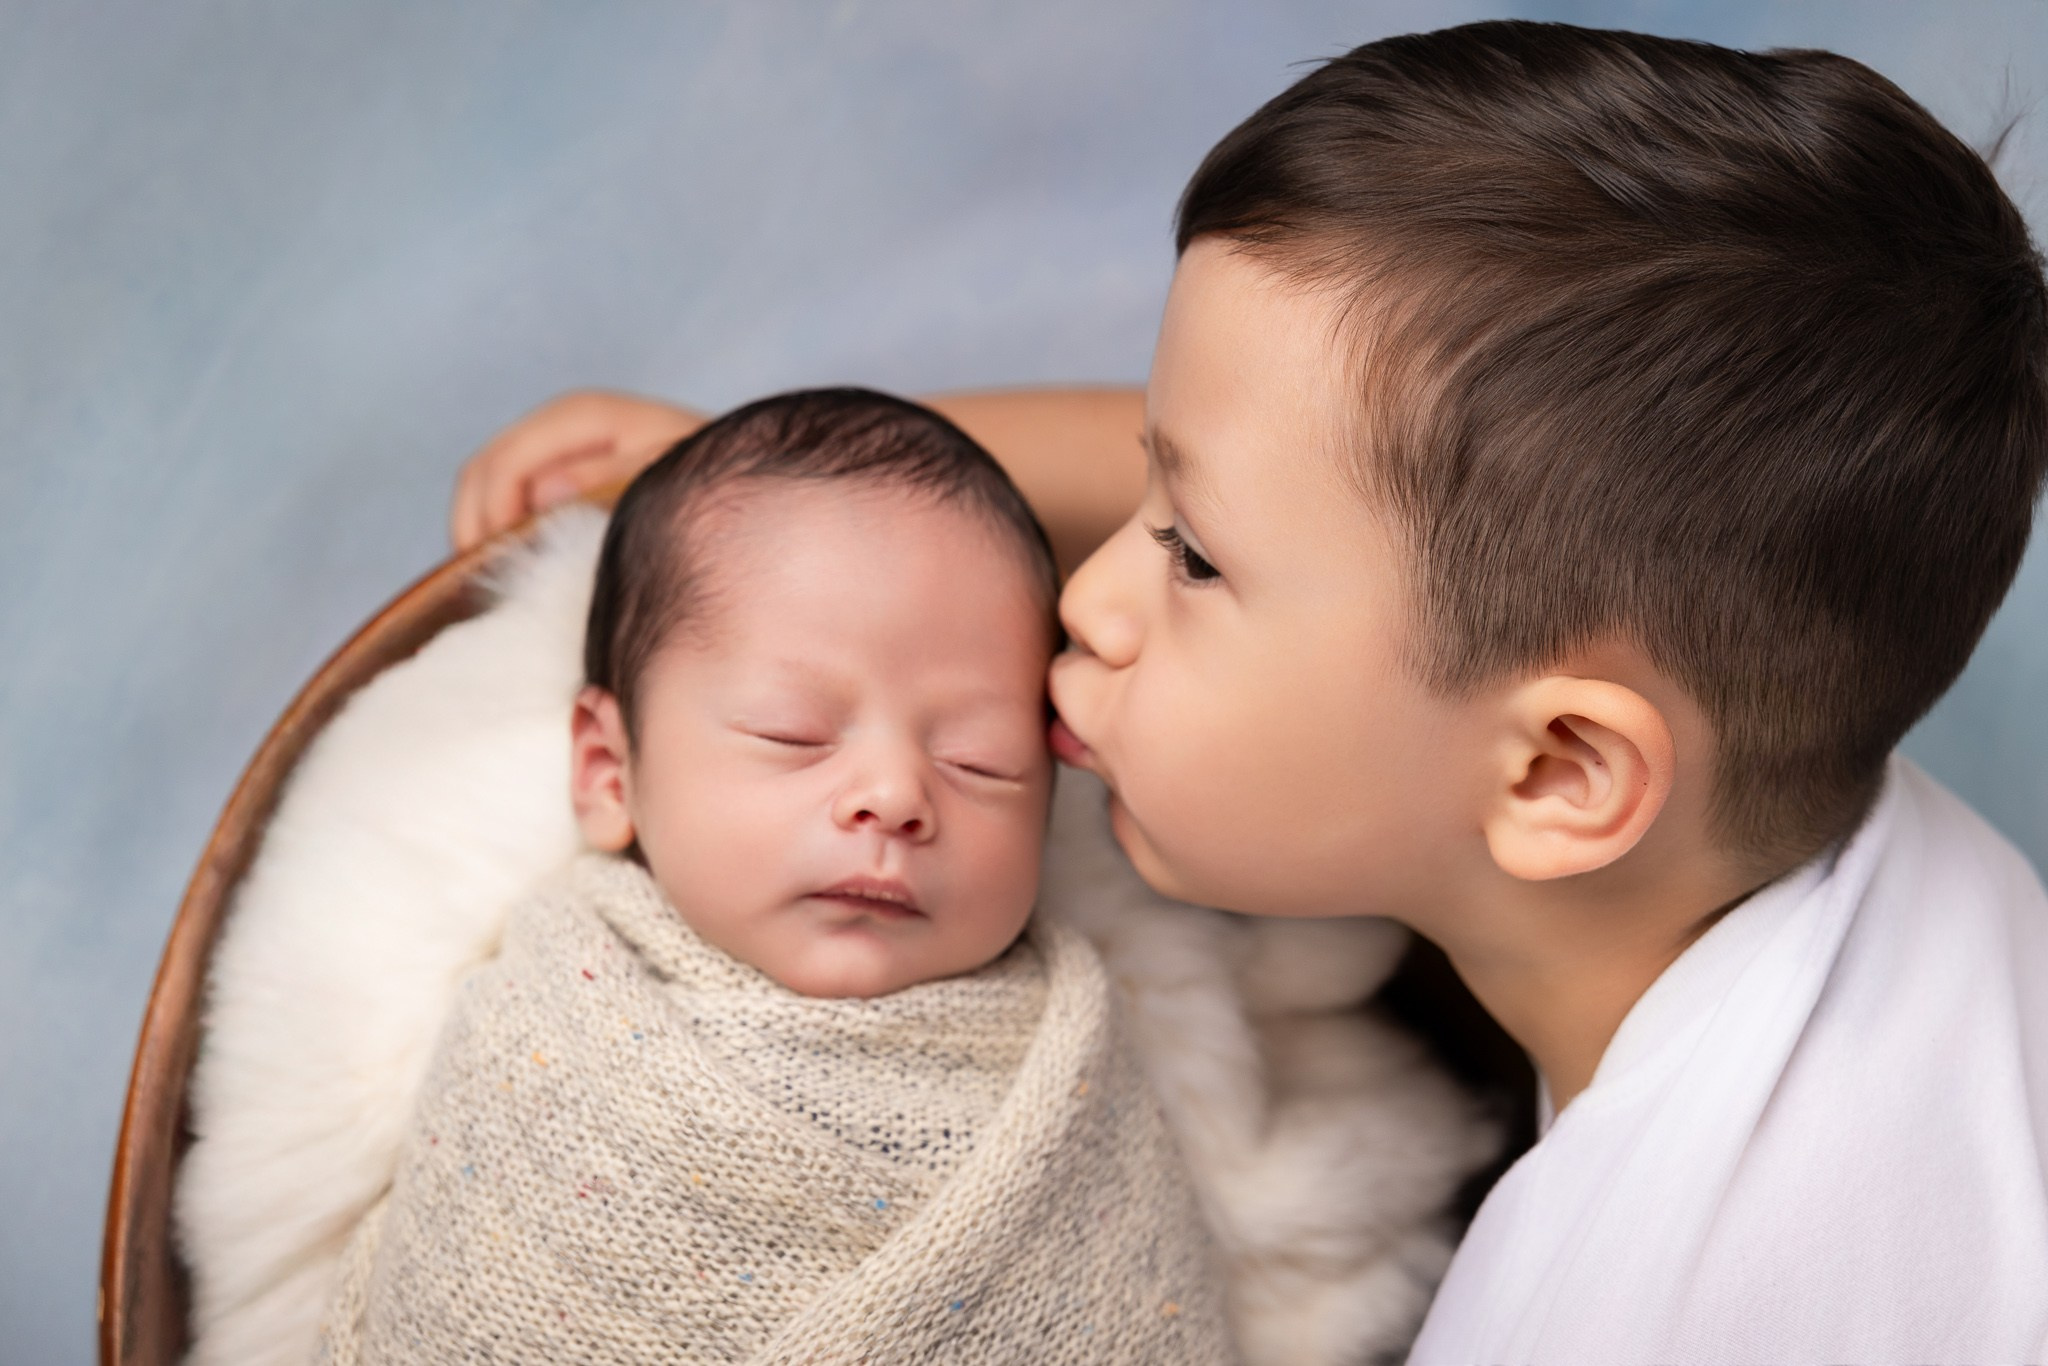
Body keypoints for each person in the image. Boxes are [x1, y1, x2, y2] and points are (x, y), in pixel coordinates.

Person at [450, 20, 2048, 1364]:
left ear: (1560, 773)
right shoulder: (1825, 812)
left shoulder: (1625, 1305)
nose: (1090, 593)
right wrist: (766, 474)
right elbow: (1274, 462)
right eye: (1153, 499)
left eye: (1191, 559)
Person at [321, 388, 1238, 1363]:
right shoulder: (543, 1027)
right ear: (606, 770)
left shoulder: (1078, 1088)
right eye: (792, 734)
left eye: (979, 759)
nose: (893, 796)